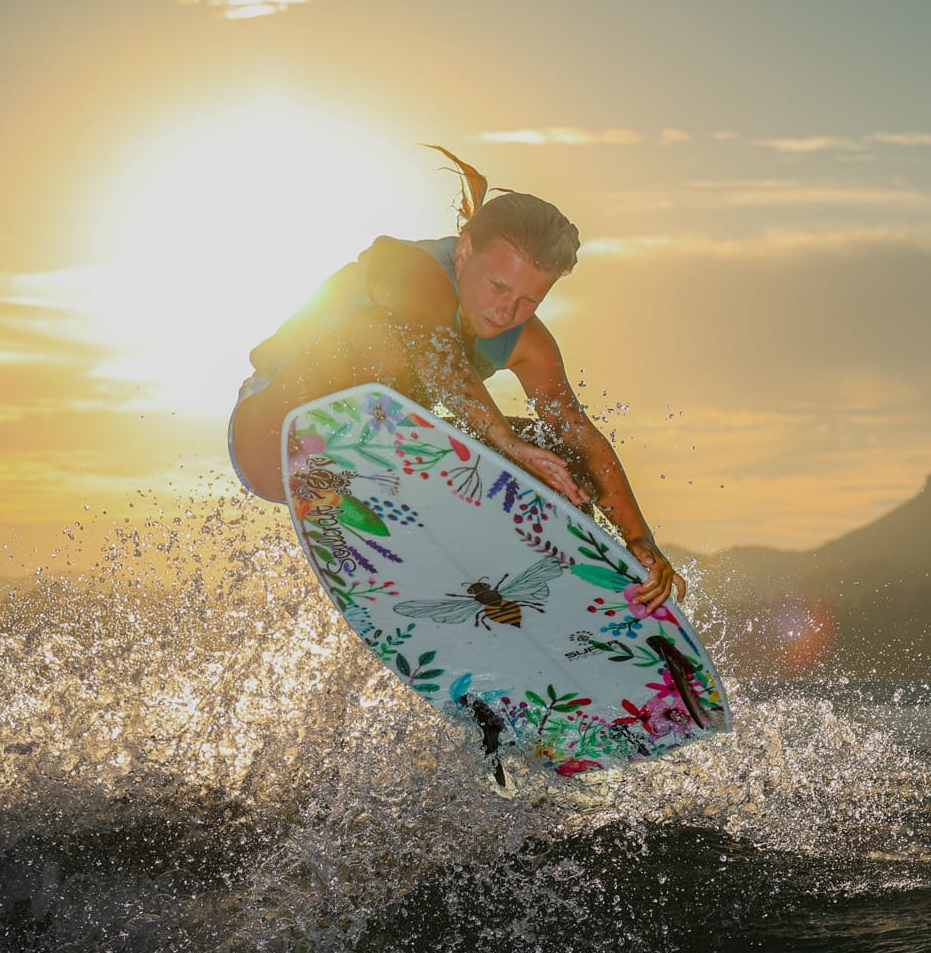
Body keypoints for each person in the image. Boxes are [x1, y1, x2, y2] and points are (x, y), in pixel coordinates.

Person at [228, 147, 685, 612]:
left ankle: (532, 592)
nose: (506, 311)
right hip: (273, 431)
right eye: (498, 286)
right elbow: (435, 352)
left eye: (528, 301)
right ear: (464, 252)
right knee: (379, 334)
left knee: (557, 459)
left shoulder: (529, 342)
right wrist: (503, 442)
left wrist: (638, 537)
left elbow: (574, 428)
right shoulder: (418, 270)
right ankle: (379, 486)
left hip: (379, 467)